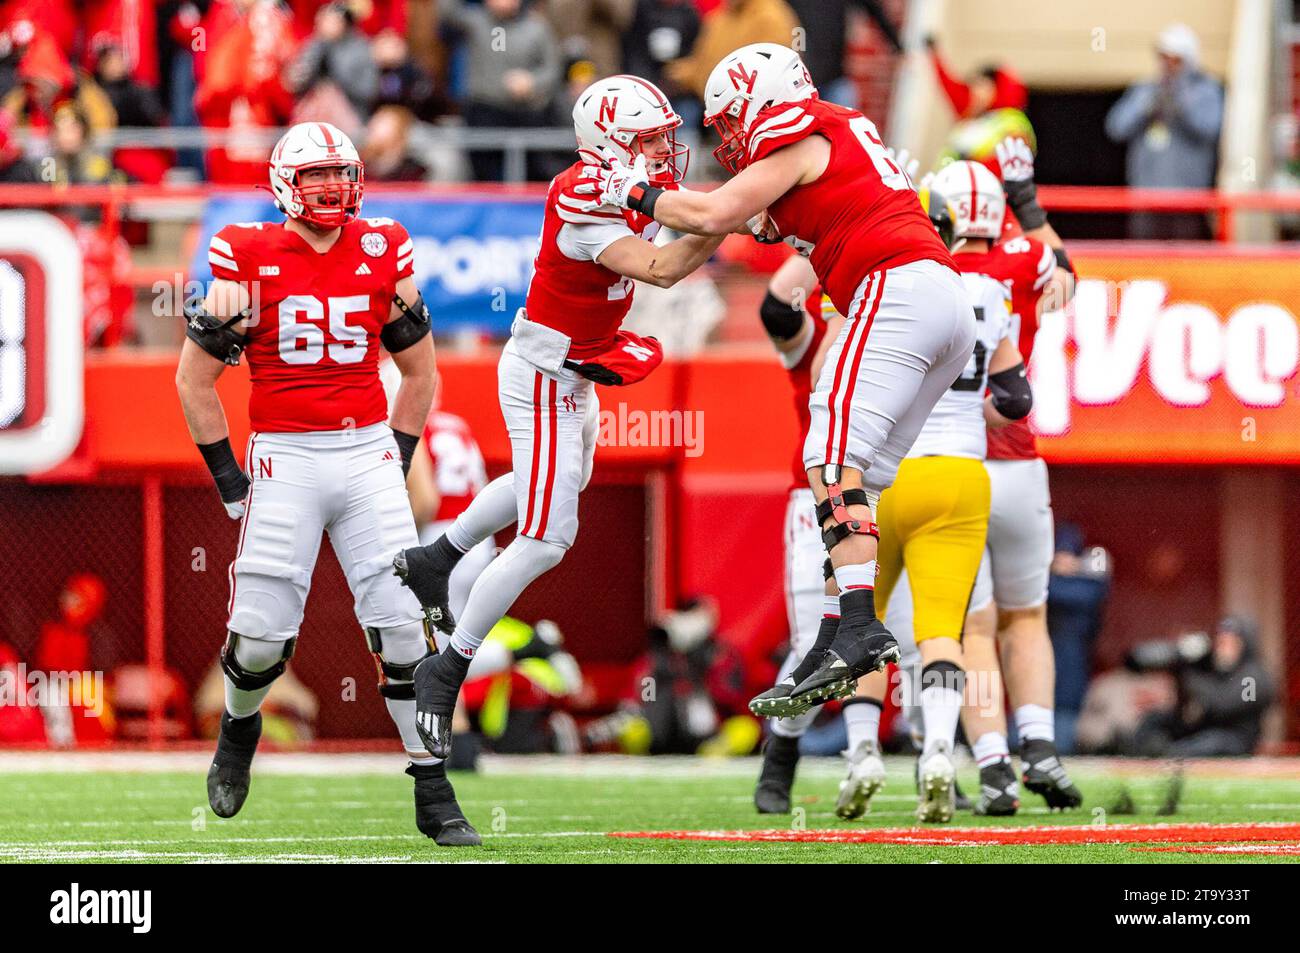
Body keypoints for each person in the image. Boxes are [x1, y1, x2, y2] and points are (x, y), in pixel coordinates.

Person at [583, 43, 974, 716]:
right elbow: (716, 231)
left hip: (898, 287)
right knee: (857, 485)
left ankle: (855, 626)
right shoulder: (822, 144)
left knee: (826, 454)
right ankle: (834, 630)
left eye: (732, 120)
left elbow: (708, 213)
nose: (730, 139)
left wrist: (631, 188)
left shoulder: (803, 131)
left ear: (764, 99)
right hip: (939, 304)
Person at [392, 75, 724, 762]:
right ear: (610, 143)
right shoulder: (584, 191)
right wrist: (731, 217)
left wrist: (727, 216)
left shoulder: (616, 185)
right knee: (547, 536)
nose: (665, 149)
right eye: (650, 139)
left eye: (665, 136)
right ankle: (447, 666)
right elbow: (661, 264)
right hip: (546, 372)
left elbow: (677, 226)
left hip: (574, 366)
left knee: (550, 486)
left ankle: (439, 554)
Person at [174, 121, 480, 847]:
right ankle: (239, 728)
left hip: (366, 447)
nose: (332, 188)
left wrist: (394, 459)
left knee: (404, 626)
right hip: (284, 453)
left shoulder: (383, 246)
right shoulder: (245, 255)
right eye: (316, 176)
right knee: (258, 634)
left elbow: (420, 372)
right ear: (286, 184)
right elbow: (194, 380)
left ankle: (432, 789)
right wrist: (229, 482)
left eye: (341, 173)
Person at [853, 184, 1025, 822]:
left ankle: (863, 753)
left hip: (890, 472)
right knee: (943, 633)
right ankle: (939, 759)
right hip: (960, 472)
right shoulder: (992, 293)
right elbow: (1017, 399)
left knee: (862, 621)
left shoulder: (899, 283)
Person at [928, 138, 1081, 814]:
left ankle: (993, 766)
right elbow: (1065, 271)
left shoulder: (923, 271)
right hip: (1018, 462)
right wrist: (1025, 197)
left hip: (952, 465)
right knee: (1029, 615)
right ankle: (1041, 743)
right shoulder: (1023, 260)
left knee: (973, 628)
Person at [750, 255, 890, 817]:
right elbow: (774, 307)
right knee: (818, 641)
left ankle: (870, 754)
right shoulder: (818, 342)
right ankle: (782, 754)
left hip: (882, 498)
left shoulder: (893, 344)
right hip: (815, 503)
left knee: (888, 629)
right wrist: (822, 241)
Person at [1104, 22, 1223, 240]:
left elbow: (1209, 129)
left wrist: (1179, 103)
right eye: (1164, 58)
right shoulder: (1145, 89)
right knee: (1147, 264)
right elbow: (1116, 128)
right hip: (1146, 199)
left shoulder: (1206, 91)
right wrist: (1147, 105)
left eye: (1175, 60)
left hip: (1188, 201)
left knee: (1185, 264)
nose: (1168, 66)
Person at [439, 0, 563, 181]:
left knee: (531, 173)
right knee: (483, 175)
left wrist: (533, 82)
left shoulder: (536, 27)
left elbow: (553, 69)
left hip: (525, 113)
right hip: (483, 112)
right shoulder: (475, 21)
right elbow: (447, 11)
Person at [1127, 616, 1275, 757]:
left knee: (1210, 741)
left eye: (1231, 643)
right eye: (1221, 642)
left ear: (1244, 645)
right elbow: (1141, 660)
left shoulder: (1253, 677)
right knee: (1155, 720)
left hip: (1234, 740)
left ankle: (1166, 756)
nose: (1223, 649)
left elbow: (1222, 706)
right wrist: (1182, 655)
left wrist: (1189, 672)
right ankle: (1132, 752)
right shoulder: (1212, 667)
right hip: (1202, 729)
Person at [1046, 522, 1110, 753]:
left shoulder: (1088, 583)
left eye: (1068, 555)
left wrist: (1061, 574)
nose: (1063, 561)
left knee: (1068, 717)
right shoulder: (1048, 580)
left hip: (1075, 658)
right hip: (1047, 653)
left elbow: (1092, 591)